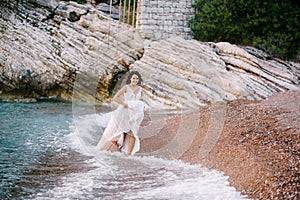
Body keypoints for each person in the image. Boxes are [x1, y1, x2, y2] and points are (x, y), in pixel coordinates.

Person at [97, 71, 146, 155]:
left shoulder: (140, 89)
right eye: (133, 78)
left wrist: (145, 107)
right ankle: (108, 151)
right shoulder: (126, 87)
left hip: (135, 113)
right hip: (124, 112)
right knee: (121, 132)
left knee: (133, 133)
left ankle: (129, 155)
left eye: (137, 78)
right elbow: (115, 98)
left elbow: (142, 100)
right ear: (130, 79)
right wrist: (124, 104)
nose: (135, 80)